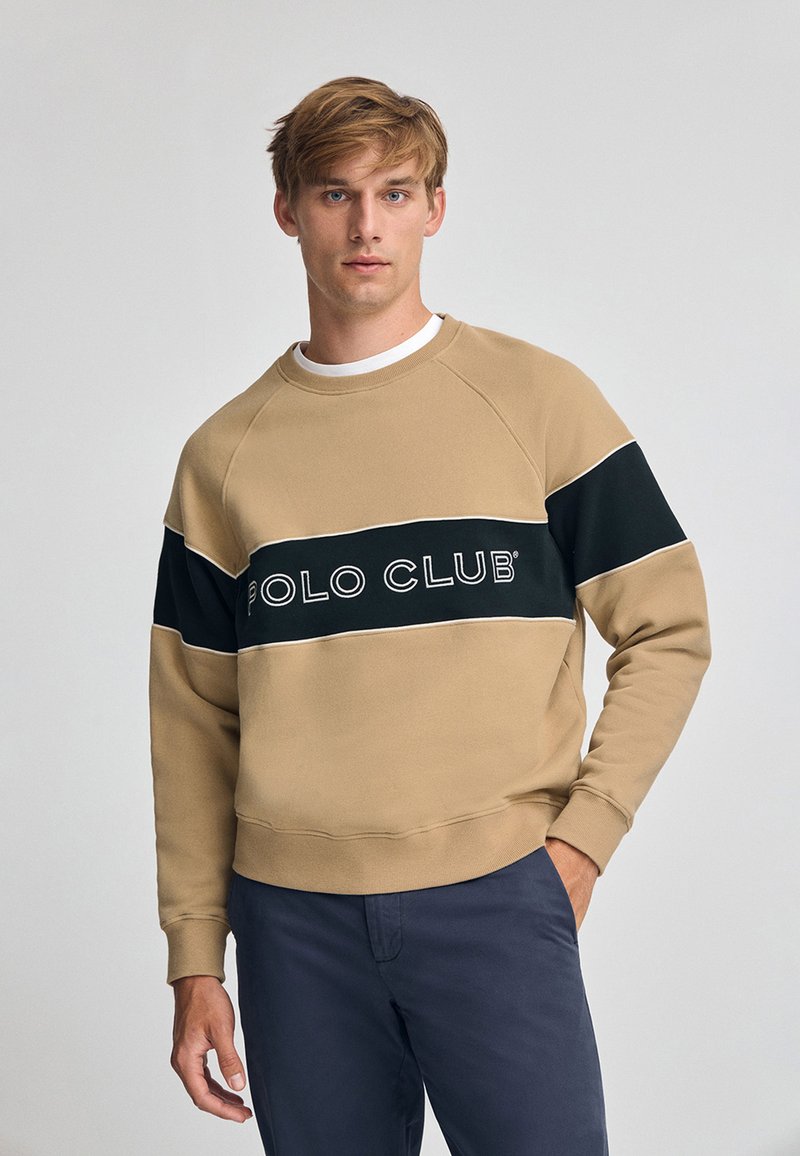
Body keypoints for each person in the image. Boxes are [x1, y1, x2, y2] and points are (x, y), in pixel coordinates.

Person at [148, 75, 712, 1155]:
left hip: (496, 898)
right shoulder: (223, 457)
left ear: (434, 209)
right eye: (335, 194)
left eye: (395, 193)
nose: (366, 226)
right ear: (287, 211)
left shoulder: (538, 401)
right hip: (291, 924)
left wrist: (581, 843)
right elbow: (190, 721)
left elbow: (668, 628)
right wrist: (193, 956)